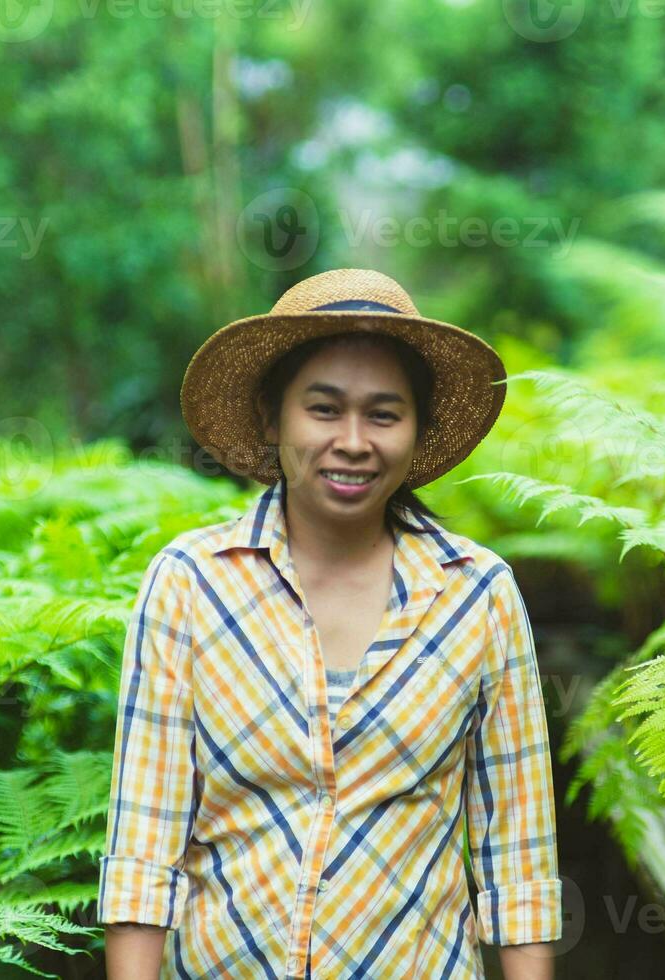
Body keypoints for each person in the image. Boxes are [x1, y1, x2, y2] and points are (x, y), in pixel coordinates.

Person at [98, 269, 562, 979]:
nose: (353, 441)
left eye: (384, 413)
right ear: (271, 417)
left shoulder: (479, 595)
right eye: (323, 408)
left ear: (418, 430)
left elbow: (518, 859)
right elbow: (143, 844)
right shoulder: (190, 583)